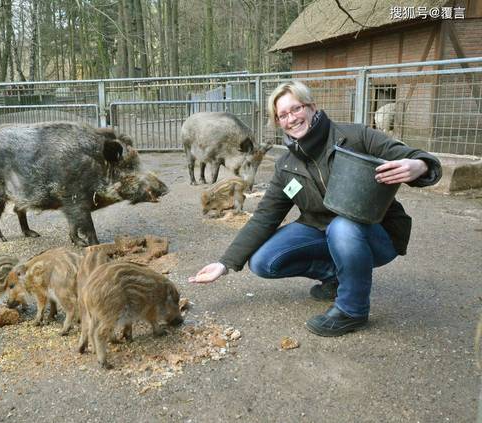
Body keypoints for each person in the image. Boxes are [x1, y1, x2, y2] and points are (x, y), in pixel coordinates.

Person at [188, 80, 442, 337]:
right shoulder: (287, 166)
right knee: (264, 261)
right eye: (282, 115)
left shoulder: (355, 136)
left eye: (296, 109)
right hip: (321, 229)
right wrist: (225, 263)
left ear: (312, 107)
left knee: (343, 226)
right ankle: (337, 276)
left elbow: (413, 156)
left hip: (376, 232)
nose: (291, 119)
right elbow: (264, 217)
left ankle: (352, 310)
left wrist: (419, 165)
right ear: (278, 122)